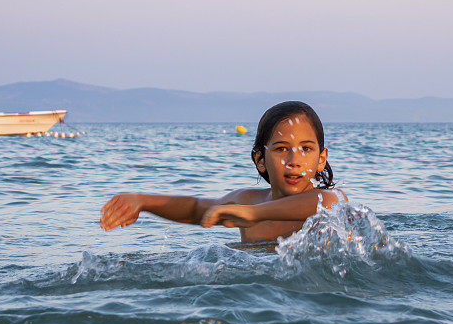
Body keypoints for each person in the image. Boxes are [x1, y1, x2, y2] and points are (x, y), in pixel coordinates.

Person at [100, 101, 347, 242]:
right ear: (260, 160)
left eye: (306, 149)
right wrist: (142, 201)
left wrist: (252, 215)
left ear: (321, 159)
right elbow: (196, 209)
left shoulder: (329, 202)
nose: (294, 160)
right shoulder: (248, 201)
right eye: (282, 149)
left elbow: (324, 202)